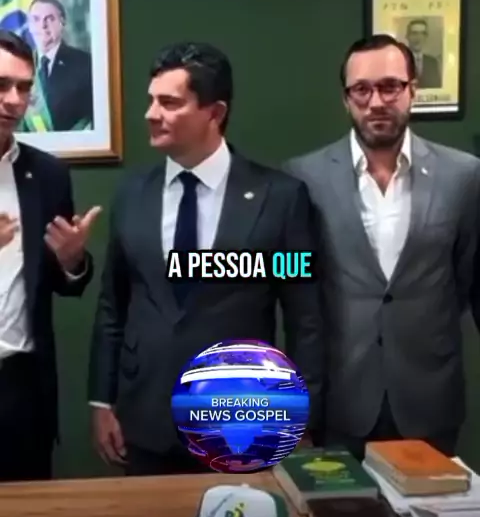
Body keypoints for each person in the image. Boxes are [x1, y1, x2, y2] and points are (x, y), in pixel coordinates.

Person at [88, 41, 324, 475]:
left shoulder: (279, 198)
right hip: (143, 420)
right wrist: (101, 401)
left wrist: (302, 419)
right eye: (151, 100)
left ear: (214, 113)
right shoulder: (131, 194)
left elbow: (305, 318)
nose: (151, 113)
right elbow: (112, 306)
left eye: (169, 103)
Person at [285, 33, 480, 461]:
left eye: (390, 86)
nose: (376, 102)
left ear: (413, 91)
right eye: (362, 89)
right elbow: (298, 297)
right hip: (341, 400)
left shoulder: (464, 177)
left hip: (430, 399)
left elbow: (467, 281)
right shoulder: (303, 178)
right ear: (346, 99)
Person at [0, 30, 101, 481]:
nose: (13, 100)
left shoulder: (47, 174)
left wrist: (72, 261)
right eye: (2, 85)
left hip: (21, 388)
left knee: (31, 516)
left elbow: (63, 282)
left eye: (24, 87)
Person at [25, 0, 93, 132]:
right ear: (29, 26)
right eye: (36, 19)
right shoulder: (22, 64)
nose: (42, 26)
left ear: (62, 23)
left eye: (49, 19)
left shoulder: (85, 63)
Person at [405, 18, 442, 89]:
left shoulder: (432, 62)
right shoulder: (401, 60)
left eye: (422, 34)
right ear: (407, 36)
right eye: (414, 33)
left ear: (426, 37)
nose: (418, 38)